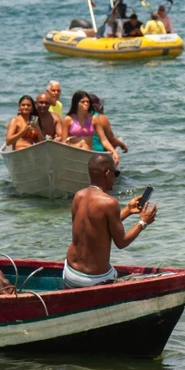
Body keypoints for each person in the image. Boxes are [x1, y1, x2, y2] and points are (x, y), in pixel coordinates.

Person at [64, 154, 155, 287]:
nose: (116, 178)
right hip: (95, 278)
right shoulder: (109, 202)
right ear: (107, 173)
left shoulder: (79, 196)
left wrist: (128, 210)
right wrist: (143, 222)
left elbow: (97, 226)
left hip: (70, 272)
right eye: (116, 173)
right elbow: (121, 242)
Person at [90, 94, 128, 164]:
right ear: (96, 106)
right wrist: (123, 146)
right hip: (98, 151)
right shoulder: (101, 118)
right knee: (113, 143)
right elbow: (112, 139)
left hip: (84, 149)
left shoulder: (80, 117)